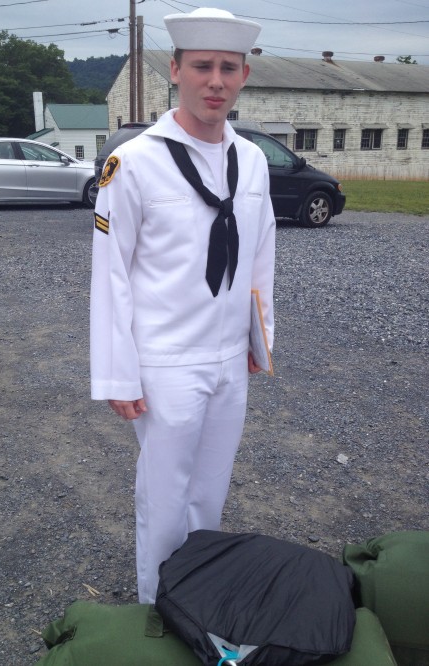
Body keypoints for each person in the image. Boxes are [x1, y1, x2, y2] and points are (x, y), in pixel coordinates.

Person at [90, 7, 276, 604]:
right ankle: (157, 605)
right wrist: (119, 372)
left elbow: (260, 253)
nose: (215, 80)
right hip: (165, 360)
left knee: (211, 492)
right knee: (166, 497)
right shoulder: (136, 162)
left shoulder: (249, 160)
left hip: (226, 357)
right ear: (175, 69)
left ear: (244, 75)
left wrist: (256, 339)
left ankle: (197, 599)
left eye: (228, 68)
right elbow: (111, 270)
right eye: (202, 67)